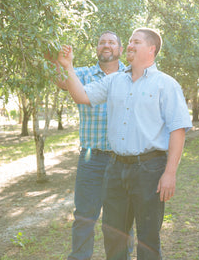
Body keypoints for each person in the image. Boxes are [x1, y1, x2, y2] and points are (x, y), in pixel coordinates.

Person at [57, 28, 191, 260]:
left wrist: (170, 173)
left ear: (151, 49)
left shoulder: (166, 84)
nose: (129, 45)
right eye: (129, 41)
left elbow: (178, 130)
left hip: (150, 169)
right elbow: (82, 96)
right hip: (115, 168)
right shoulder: (114, 81)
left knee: (148, 238)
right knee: (114, 237)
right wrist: (67, 65)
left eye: (135, 42)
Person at [54, 31, 129, 260]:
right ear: (96, 48)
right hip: (91, 159)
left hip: (122, 161)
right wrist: (61, 62)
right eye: (102, 42)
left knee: (120, 219)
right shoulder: (83, 74)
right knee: (84, 217)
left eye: (111, 42)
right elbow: (60, 80)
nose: (106, 45)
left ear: (120, 49)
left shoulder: (132, 75)